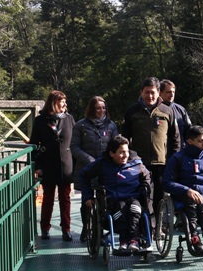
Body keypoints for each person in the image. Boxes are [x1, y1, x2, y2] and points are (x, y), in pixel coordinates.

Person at [79, 135, 152, 252]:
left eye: (127, 152)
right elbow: (83, 175)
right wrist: (88, 196)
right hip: (113, 202)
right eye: (121, 152)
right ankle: (123, 241)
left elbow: (147, 176)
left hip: (133, 198)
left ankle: (134, 240)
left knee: (135, 208)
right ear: (112, 153)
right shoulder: (102, 163)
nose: (125, 155)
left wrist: (145, 187)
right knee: (121, 209)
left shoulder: (136, 163)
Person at [120, 77, 181, 213]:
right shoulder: (132, 111)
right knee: (143, 196)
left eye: (153, 92)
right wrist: (129, 159)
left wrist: (174, 159)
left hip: (161, 163)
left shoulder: (167, 111)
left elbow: (175, 138)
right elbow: (125, 138)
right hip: (139, 164)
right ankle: (145, 228)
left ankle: (159, 227)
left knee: (160, 197)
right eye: (147, 92)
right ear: (141, 92)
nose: (150, 96)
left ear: (158, 92)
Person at [164, 126, 203, 254]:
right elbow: (167, 182)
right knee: (192, 202)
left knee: (201, 203)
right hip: (185, 193)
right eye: (200, 141)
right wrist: (186, 190)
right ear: (189, 141)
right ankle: (195, 237)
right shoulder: (178, 158)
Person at [29, 90, 75, 242]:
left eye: (65, 101)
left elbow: (74, 142)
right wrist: (38, 166)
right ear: (54, 102)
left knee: (65, 198)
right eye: (62, 101)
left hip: (66, 165)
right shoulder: (40, 120)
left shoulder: (69, 119)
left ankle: (66, 229)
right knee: (48, 198)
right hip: (48, 165)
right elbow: (34, 145)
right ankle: (45, 228)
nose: (64, 104)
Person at [71, 96, 118, 241]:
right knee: (87, 201)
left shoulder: (111, 126)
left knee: (105, 201)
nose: (101, 111)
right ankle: (86, 227)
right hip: (87, 169)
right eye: (98, 108)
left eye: (103, 108)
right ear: (92, 109)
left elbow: (116, 145)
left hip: (105, 169)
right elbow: (74, 147)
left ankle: (102, 229)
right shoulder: (81, 125)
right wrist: (89, 160)